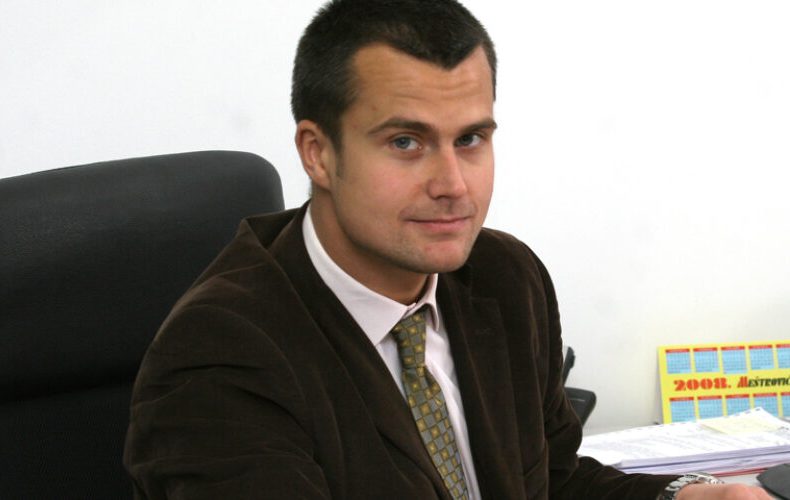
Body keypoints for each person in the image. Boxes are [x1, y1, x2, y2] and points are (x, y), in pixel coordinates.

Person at [123, 1, 772, 499]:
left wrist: (683, 495)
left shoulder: (504, 278)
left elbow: (553, 481)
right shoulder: (221, 354)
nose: (453, 185)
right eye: (406, 142)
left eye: (470, 139)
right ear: (318, 153)